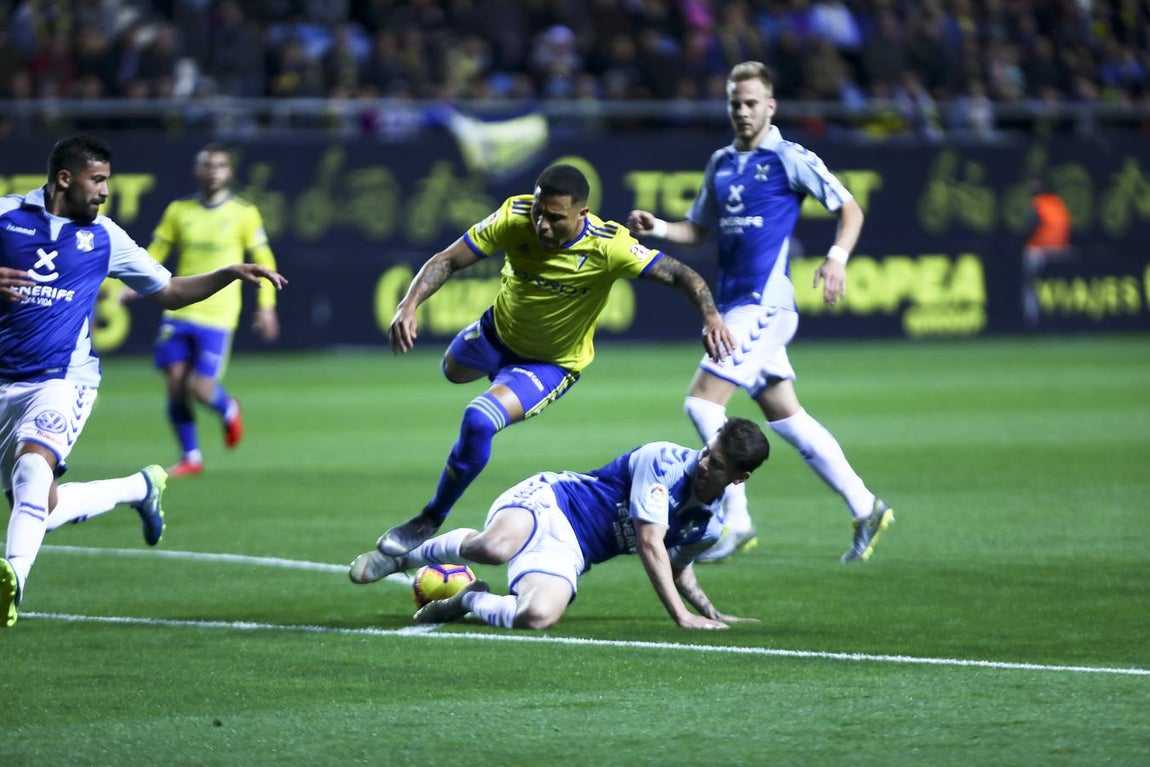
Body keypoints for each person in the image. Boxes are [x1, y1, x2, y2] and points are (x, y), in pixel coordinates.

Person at [355, 163, 734, 564]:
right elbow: (449, 259)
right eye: (539, 212)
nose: (542, 225)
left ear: (582, 215)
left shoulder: (611, 247)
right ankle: (498, 372)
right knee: (451, 371)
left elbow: (683, 275)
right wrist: (409, 304)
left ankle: (429, 518)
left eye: (555, 218)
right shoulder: (513, 216)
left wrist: (711, 316)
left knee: (479, 419)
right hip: (495, 333)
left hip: (550, 363)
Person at [0, 134, 287, 628]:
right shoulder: (6, 215)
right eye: (98, 180)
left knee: (33, 470)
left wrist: (229, 272)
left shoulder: (106, 237)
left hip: (63, 380)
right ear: (65, 179)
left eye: (108, 181)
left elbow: (171, 290)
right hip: (5, 378)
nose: (105, 191)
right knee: (39, 507)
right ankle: (139, 487)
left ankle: (12, 585)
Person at [627, 61, 893, 564]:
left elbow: (850, 210)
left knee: (702, 404)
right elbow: (700, 229)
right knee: (788, 417)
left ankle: (736, 521)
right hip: (737, 306)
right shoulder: (721, 163)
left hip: (764, 305)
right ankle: (866, 505)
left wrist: (836, 260)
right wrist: (660, 227)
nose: (743, 111)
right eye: (735, 103)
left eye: (751, 103)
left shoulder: (790, 158)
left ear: (771, 106)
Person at [351, 418, 770, 630]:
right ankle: (403, 557)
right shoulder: (664, 461)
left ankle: (467, 600)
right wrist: (680, 617)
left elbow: (678, 566)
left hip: (571, 551)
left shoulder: (709, 528)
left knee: (538, 616)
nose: (703, 463)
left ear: (739, 477)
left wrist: (710, 611)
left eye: (716, 464)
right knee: (493, 548)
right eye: (706, 452)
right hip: (554, 501)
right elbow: (649, 543)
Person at [143, 143, 281, 477]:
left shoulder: (244, 213)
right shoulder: (179, 210)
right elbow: (156, 250)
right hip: (179, 309)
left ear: (228, 171)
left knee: (200, 388)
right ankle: (191, 456)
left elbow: (263, 259)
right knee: (175, 383)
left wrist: (267, 307)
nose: (214, 171)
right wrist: (126, 285)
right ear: (198, 170)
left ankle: (227, 407)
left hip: (218, 315)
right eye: (208, 165)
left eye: (220, 165)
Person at [1021, 176, 1071, 329]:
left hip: (1041, 250)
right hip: (1061, 250)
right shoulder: (1057, 202)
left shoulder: (1037, 204)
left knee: (1028, 283)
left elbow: (1030, 228)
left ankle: (1031, 319)